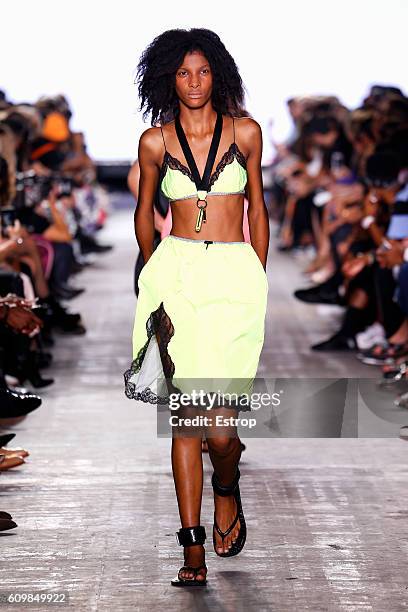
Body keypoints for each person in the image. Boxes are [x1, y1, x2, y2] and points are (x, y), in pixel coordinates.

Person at [123, 28, 269, 587]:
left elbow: (258, 207)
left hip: (234, 278)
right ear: (168, 77)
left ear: (219, 75)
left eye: (203, 71)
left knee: (221, 433)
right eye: (183, 73)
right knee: (188, 422)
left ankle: (226, 485)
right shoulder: (155, 142)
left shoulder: (247, 133)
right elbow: (143, 212)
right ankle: (193, 551)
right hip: (177, 276)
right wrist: (155, 267)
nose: (193, 82)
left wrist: (256, 270)